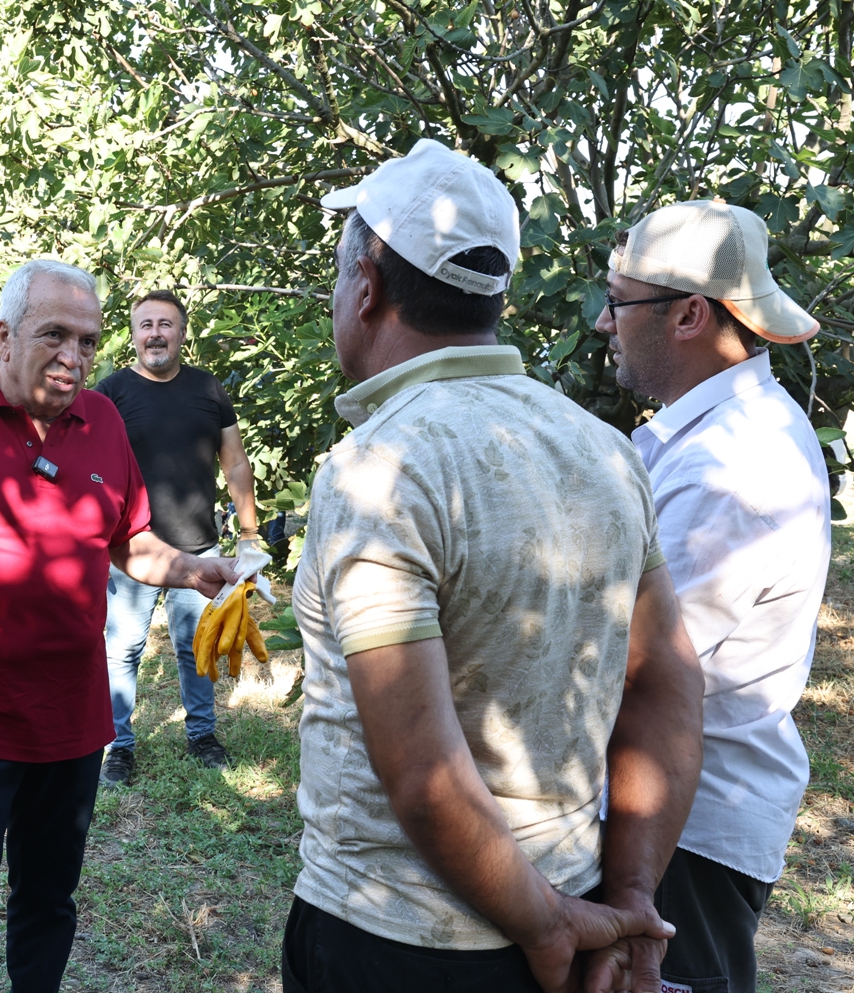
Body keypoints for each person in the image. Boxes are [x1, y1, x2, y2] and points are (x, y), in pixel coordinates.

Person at [282, 139, 705, 993]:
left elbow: (421, 771)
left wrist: (550, 922)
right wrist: (622, 898)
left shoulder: (380, 468)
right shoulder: (602, 451)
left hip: (394, 937)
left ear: (364, 285)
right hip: (568, 919)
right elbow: (668, 681)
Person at [0, 258, 236, 993]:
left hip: (70, 714)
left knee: (48, 900)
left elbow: (129, 541)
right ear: (4, 334)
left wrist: (190, 569)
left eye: (87, 341)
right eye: (55, 334)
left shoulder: (105, 421)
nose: (75, 356)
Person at [596, 200, 830, 993]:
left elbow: (638, 667)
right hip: (675, 815)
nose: (604, 324)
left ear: (689, 313)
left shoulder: (732, 467)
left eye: (618, 302)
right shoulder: (702, 437)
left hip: (680, 829)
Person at [92, 289, 259, 783]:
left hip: (199, 547)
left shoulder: (208, 390)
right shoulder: (110, 393)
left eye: (166, 324)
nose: (155, 333)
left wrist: (248, 534)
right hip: (132, 549)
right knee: (122, 649)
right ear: (134, 335)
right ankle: (118, 746)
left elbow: (235, 462)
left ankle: (202, 735)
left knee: (196, 647)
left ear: (182, 334)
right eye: (146, 325)